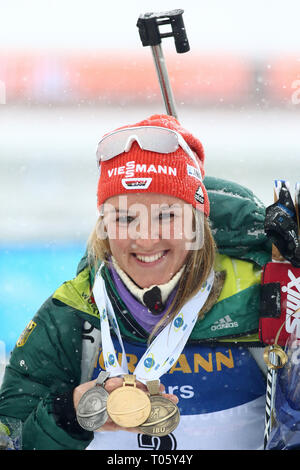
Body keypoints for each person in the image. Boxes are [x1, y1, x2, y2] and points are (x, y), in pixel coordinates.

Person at [0, 114, 272, 450]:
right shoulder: (72, 312)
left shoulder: (261, 296)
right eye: (125, 218)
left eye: (167, 216)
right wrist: (67, 413)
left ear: (197, 222)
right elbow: (9, 438)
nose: (145, 239)